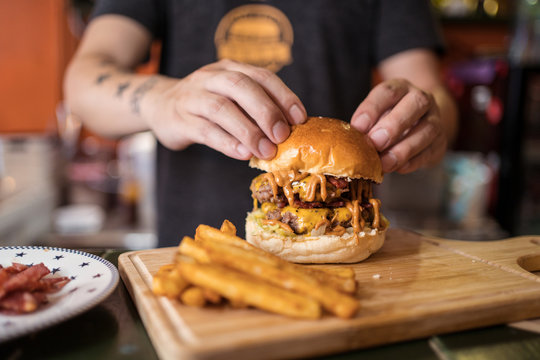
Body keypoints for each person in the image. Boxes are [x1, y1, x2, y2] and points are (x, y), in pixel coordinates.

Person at [64, 0, 458, 246]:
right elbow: (81, 83)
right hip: (192, 255)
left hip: (352, 276)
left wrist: (430, 115)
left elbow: (430, 92)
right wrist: (161, 100)